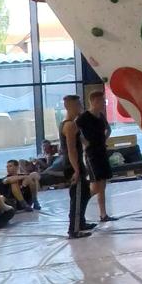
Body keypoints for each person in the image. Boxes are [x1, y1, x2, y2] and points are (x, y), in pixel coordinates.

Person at [76, 89, 114, 224]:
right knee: (96, 185)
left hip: (102, 151)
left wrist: (104, 139)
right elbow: (74, 131)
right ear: (94, 102)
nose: (104, 104)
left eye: (104, 101)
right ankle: (79, 208)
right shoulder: (84, 117)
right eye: (102, 101)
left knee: (103, 184)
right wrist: (84, 142)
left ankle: (103, 214)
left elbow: (108, 129)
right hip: (92, 154)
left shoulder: (101, 116)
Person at [61, 94, 94, 239]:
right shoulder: (69, 125)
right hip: (72, 165)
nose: (80, 107)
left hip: (77, 163)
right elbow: (71, 149)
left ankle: (81, 222)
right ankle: (74, 229)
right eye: (78, 104)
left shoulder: (73, 124)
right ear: (70, 106)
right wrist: (76, 170)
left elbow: (82, 142)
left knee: (85, 193)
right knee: (78, 196)